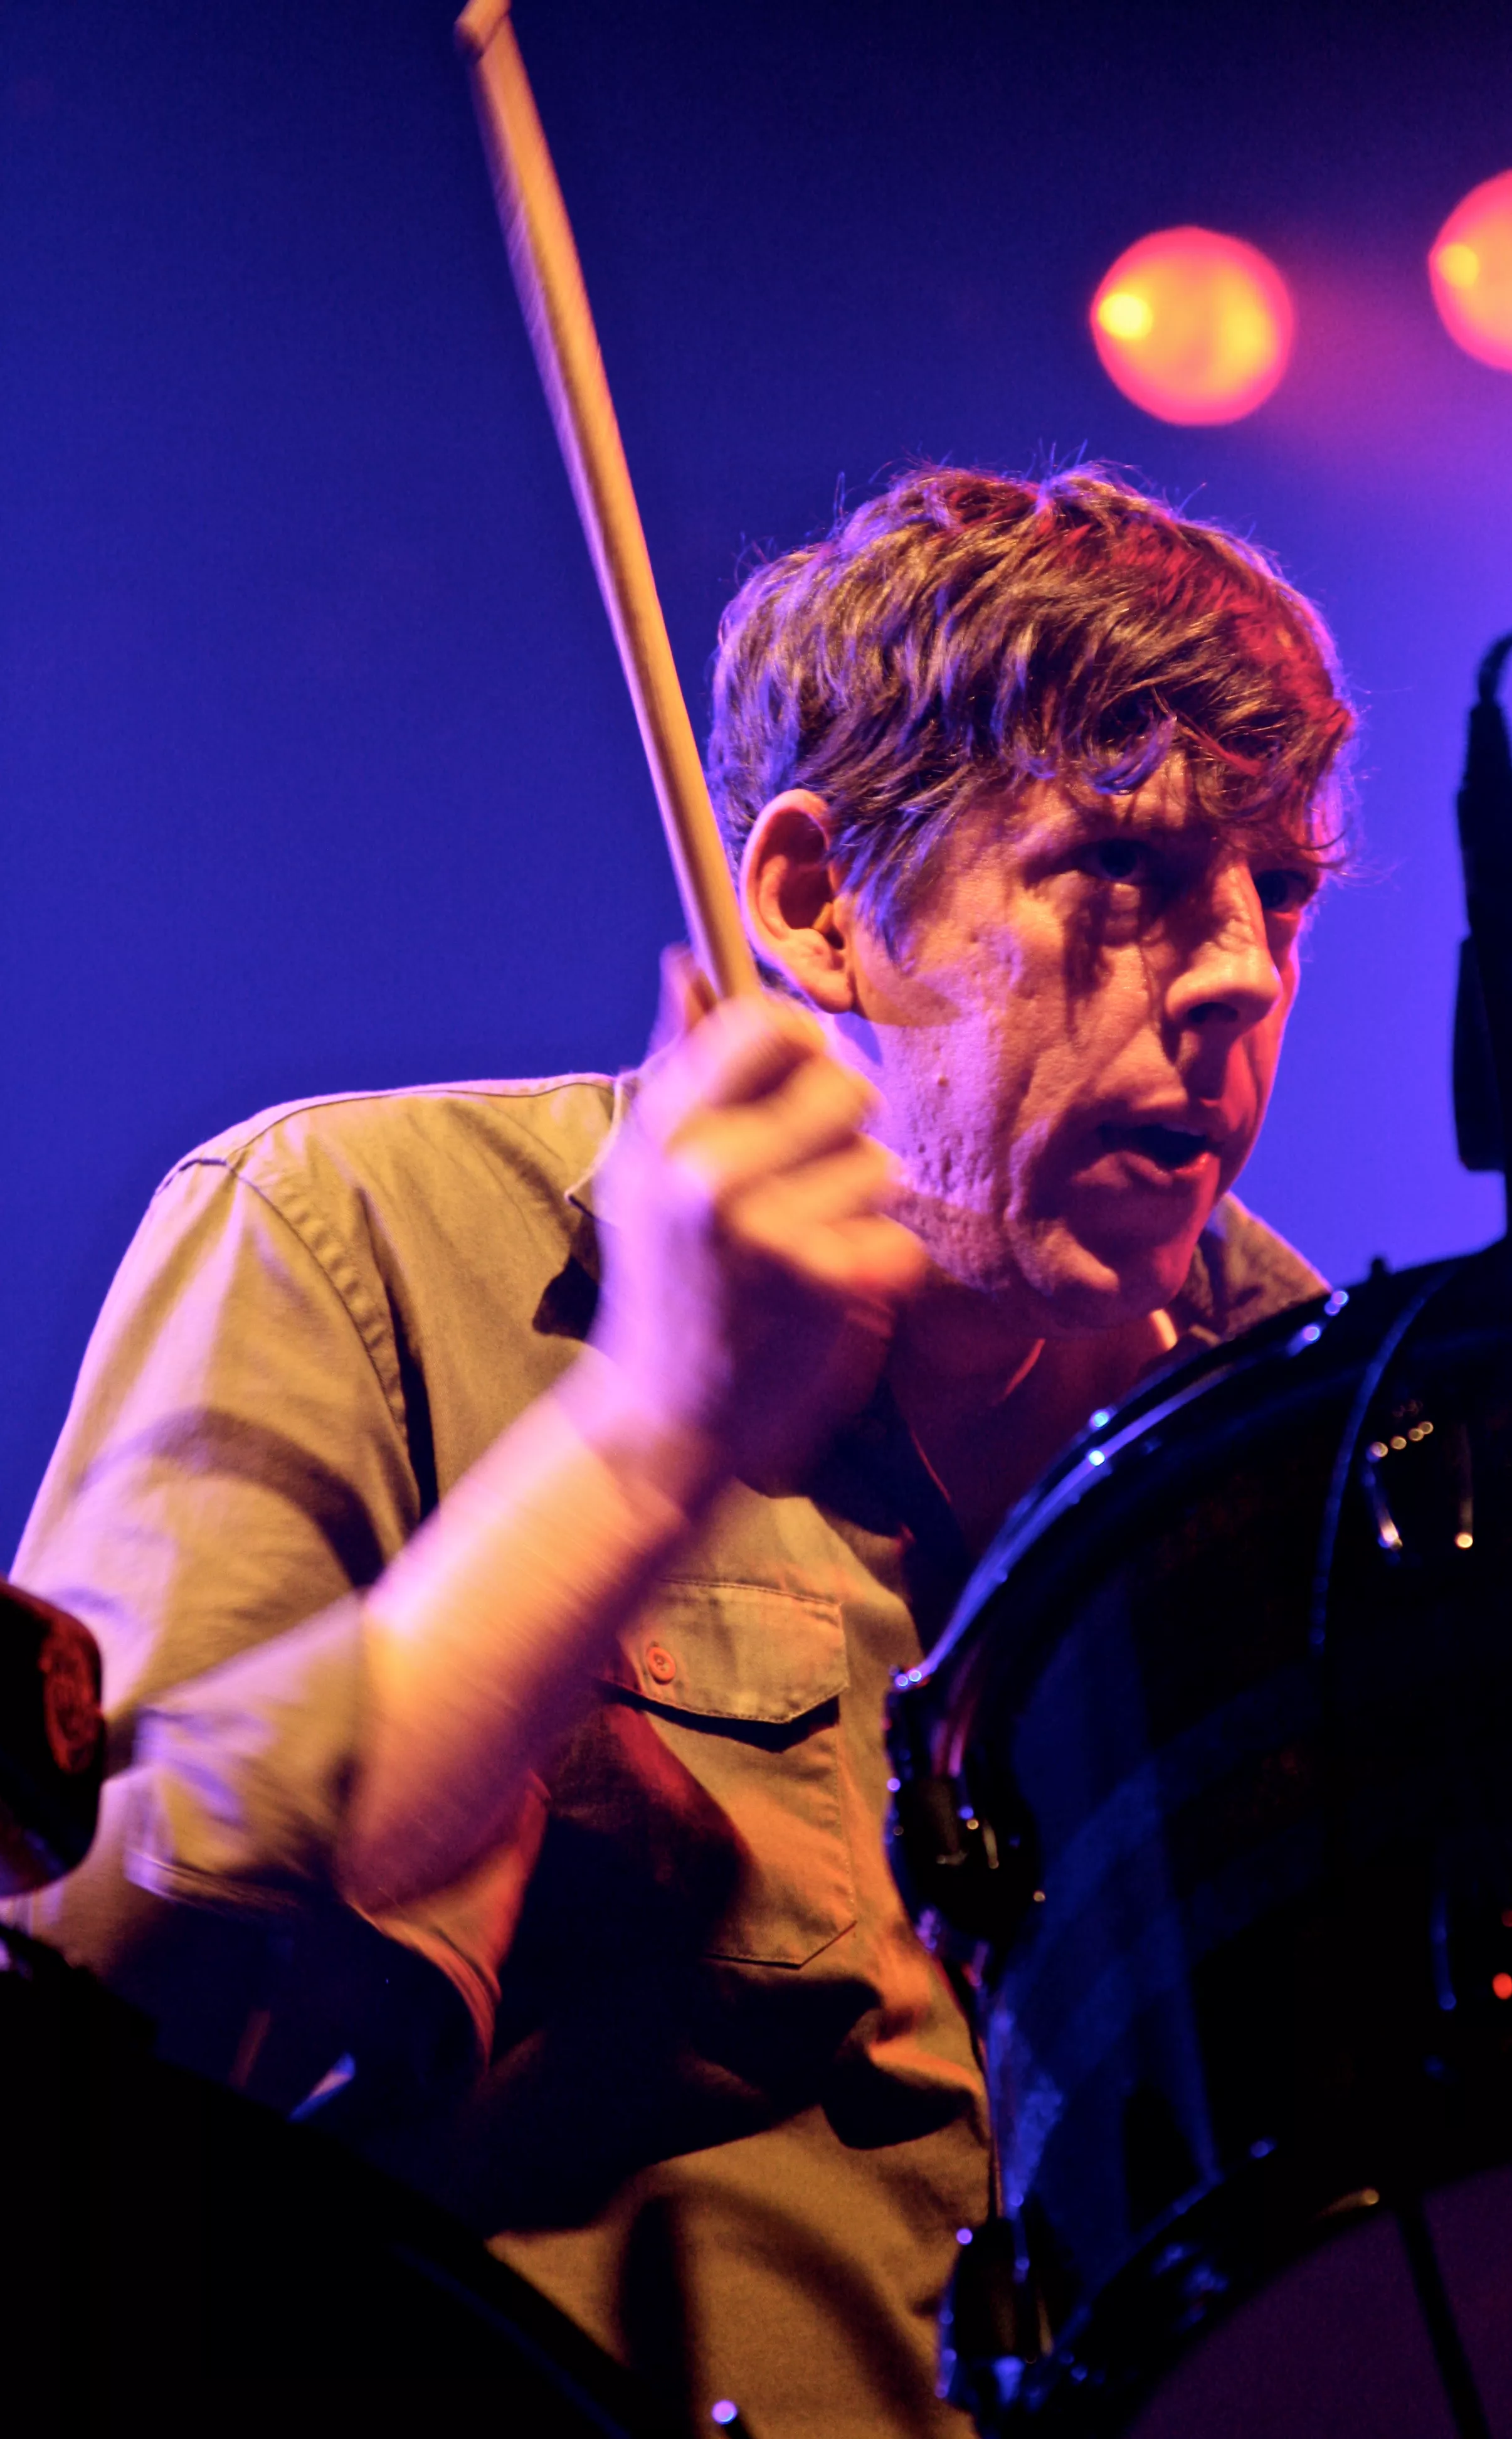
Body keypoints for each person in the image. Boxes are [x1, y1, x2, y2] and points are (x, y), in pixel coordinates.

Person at [6, 466, 1353, 2434]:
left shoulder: (1292, 1408)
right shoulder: (355, 1233)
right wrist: (644, 1436)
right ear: (818, 902)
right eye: (1126, 872)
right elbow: (104, 2015)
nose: (1238, 972)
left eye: (1280, 892)